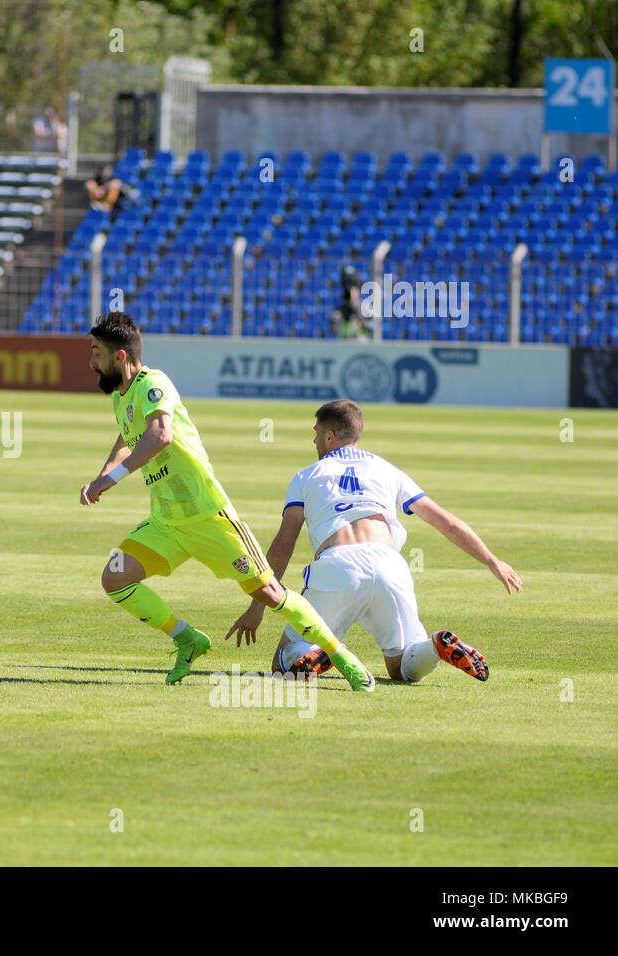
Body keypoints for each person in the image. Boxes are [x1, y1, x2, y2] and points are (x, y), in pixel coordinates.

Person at [78, 313, 375, 690]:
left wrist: (111, 479)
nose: (91, 362)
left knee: (269, 593)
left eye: (97, 353)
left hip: (209, 516)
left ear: (120, 357)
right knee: (115, 578)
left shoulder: (153, 383)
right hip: (167, 522)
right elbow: (128, 435)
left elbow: (160, 435)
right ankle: (187, 638)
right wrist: (102, 475)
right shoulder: (122, 399)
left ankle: (342, 655)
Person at [225, 400, 522, 683]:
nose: (314, 442)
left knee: (282, 664)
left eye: (316, 434)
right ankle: (436, 646)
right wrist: (492, 560)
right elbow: (444, 521)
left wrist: (258, 607)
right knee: (402, 666)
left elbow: (283, 543)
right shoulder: (386, 469)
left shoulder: (307, 476)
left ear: (329, 436)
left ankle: (314, 653)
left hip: (337, 566)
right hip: (389, 565)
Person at [332, 266, 369, 340]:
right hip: (344, 343)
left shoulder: (365, 307)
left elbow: (371, 327)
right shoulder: (341, 309)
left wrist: (357, 313)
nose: (350, 292)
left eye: (354, 288)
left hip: (361, 342)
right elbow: (334, 329)